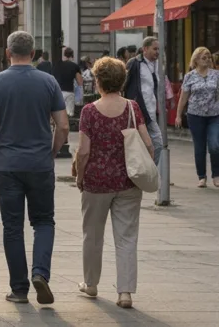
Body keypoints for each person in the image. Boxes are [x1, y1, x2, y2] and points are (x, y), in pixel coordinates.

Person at [0, 31, 69, 305]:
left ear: (7, 52)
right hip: (39, 164)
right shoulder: (48, 82)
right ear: (34, 53)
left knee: (12, 227)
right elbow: (63, 125)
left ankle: (19, 289)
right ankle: (40, 273)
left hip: (7, 166)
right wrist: (52, 152)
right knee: (44, 221)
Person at [75, 57, 153, 309]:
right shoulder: (132, 108)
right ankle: (125, 293)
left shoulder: (89, 111)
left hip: (96, 182)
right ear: (122, 81)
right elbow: (149, 144)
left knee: (92, 235)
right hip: (128, 182)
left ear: (97, 80)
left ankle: (91, 284)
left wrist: (80, 176)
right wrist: (142, 168)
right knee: (127, 237)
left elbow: (84, 151)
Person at [175, 47, 219, 188]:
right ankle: (202, 176)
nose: (207, 59)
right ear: (196, 60)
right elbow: (183, 97)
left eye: (208, 57)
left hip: (214, 115)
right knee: (199, 147)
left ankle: (216, 175)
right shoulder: (190, 76)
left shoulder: (216, 75)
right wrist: (178, 115)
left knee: (214, 145)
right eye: (204, 57)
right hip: (195, 116)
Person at [123, 37, 169, 164]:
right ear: (145, 49)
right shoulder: (135, 63)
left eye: (159, 49)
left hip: (152, 111)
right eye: (155, 49)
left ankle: (147, 172)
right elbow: (124, 84)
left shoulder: (158, 65)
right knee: (150, 144)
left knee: (156, 144)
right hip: (138, 111)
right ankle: (145, 173)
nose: (157, 52)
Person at [56, 47, 84, 119]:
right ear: (72, 56)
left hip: (58, 93)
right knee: (69, 115)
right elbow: (80, 82)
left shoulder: (57, 65)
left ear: (64, 55)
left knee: (58, 115)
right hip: (69, 92)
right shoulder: (74, 66)